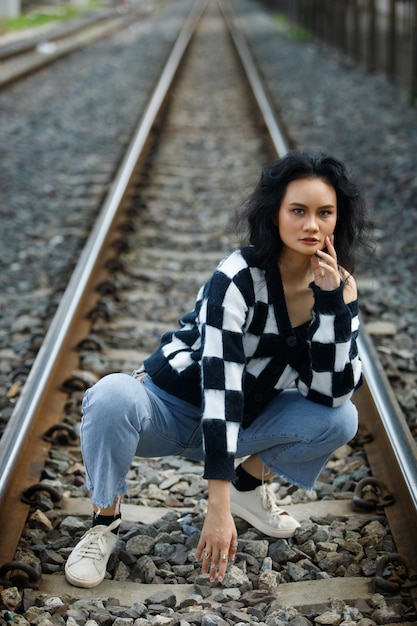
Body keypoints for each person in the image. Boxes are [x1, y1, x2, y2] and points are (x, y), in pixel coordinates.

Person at [64, 150, 370, 589]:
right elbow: (220, 383)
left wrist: (332, 306)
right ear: (275, 214)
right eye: (298, 211)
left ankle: (250, 484)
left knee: (343, 419)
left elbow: (332, 393)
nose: (311, 226)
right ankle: (104, 524)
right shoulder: (239, 277)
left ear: (338, 219)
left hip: (246, 421)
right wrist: (216, 508)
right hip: (171, 411)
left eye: (325, 213)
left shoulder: (337, 287)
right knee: (111, 395)